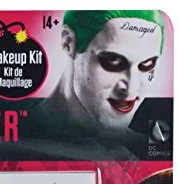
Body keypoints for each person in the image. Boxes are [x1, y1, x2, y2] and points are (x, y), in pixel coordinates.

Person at [36, 10, 165, 136]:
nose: (131, 90)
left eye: (147, 64)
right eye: (113, 60)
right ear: (68, 42)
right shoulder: (27, 137)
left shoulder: (145, 144)